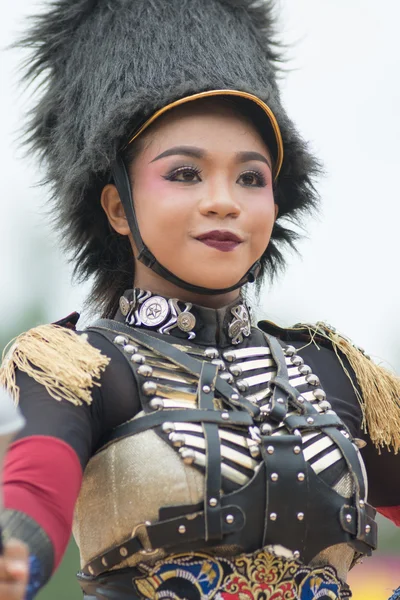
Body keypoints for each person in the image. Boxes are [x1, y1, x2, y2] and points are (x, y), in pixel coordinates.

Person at [0, 0, 399, 598]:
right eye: (185, 173)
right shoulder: (79, 369)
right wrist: (14, 551)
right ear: (117, 208)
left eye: (251, 178)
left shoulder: (338, 374)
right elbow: (33, 494)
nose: (225, 201)